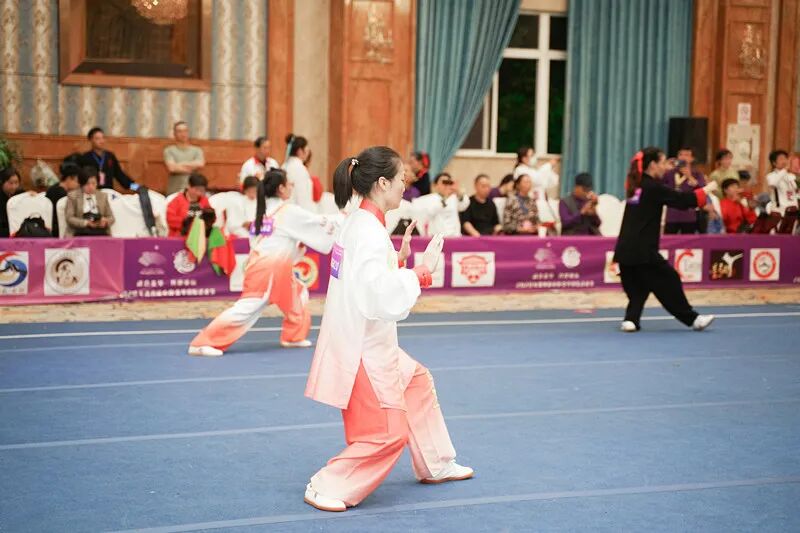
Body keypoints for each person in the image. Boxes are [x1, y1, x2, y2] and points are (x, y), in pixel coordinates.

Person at [303, 146, 473, 513]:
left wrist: (397, 261)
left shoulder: (360, 223)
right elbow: (377, 296)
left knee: (417, 382)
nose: (405, 186)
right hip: (362, 347)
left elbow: (364, 280)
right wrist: (420, 272)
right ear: (382, 183)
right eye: (401, 180)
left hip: (366, 337)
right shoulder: (367, 230)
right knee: (388, 434)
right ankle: (327, 484)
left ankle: (436, 463)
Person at [189, 169, 340, 357]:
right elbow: (318, 223)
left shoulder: (266, 211)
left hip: (273, 267)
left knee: (298, 293)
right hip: (267, 269)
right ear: (281, 188)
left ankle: (293, 337)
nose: (291, 186)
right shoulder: (287, 211)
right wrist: (346, 217)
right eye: (289, 183)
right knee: (247, 308)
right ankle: (202, 342)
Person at [614, 147, 717, 333]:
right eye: (662, 163)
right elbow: (680, 199)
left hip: (625, 249)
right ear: (653, 165)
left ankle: (630, 320)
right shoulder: (653, 188)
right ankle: (693, 319)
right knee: (669, 280)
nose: (665, 167)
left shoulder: (637, 186)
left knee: (639, 288)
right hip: (643, 250)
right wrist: (706, 190)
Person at [79, 127, 139, 191]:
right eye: (97, 138)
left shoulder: (110, 156)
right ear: (91, 140)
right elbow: (81, 180)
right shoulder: (85, 157)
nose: (101, 141)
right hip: (92, 192)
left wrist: (137, 187)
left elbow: (121, 176)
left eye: (103, 138)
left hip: (109, 192)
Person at [663, 147, 706, 234]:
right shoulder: (669, 173)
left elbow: (702, 190)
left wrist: (690, 177)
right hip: (672, 215)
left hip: (689, 215)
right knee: (669, 240)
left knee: (688, 241)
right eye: (680, 154)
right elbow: (660, 186)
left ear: (692, 159)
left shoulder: (697, 174)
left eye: (686, 155)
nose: (683, 157)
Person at [413, 173, 470, 237]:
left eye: (448, 182)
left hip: (455, 236)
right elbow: (428, 214)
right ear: (435, 185)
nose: (446, 185)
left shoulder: (454, 197)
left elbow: (464, 206)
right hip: (437, 237)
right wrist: (444, 198)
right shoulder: (428, 198)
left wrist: (458, 191)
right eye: (444, 182)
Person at [65, 167, 115, 237]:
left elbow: (111, 217)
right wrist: (86, 223)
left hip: (100, 231)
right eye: (87, 184)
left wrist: (105, 221)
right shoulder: (73, 196)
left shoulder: (102, 196)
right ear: (82, 184)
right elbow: (69, 218)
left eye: (94, 183)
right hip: (80, 231)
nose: (91, 187)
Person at [163, 121, 205, 195]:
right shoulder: (169, 150)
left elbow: (200, 164)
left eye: (185, 131)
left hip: (194, 192)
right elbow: (172, 168)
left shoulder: (197, 150)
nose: (183, 134)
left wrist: (179, 164)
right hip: (174, 190)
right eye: (179, 131)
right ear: (174, 134)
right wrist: (192, 168)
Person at [166, 172, 211, 238]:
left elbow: (210, 218)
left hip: (200, 236)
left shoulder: (204, 200)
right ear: (189, 186)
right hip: (179, 236)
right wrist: (186, 222)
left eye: (202, 190)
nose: (199, 193)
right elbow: (170, 219)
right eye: (196, 189)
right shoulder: (177, 200)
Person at [46, 159, 81, 237]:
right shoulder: (62, 195)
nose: (78, 185)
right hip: (59, 229)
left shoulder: (53, 188)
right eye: (77, 181)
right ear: (69, 178)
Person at [283, 133, 316, 212]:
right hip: (297, 211)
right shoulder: (299, 169)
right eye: (307, 151)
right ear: (300, 151)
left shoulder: (284, 166)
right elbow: (303, 197)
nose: (308, 154)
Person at [765, 149, 798, 216]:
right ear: (774, 163)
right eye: (781, 159)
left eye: (785, 158)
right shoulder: (771, 176)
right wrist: (785, 169)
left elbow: (794, 192)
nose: (784, 161)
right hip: (779, 211)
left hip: (792, 210)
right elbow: (772, 183)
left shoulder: (791, 176)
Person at [0, 167, 22, 238]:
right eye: (10, 183)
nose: (14, 186)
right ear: (2, 182)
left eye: (16, 182)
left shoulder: (19, 194)